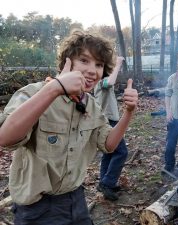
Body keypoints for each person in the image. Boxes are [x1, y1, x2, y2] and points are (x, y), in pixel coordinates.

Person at [0, 30, 138, 225]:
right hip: (37, 209)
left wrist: (129, 112)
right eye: (84, 60)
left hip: (76, 199)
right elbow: (4, 137)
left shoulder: (91, 105)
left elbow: (109, 145)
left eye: (99, 65)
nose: (93, 70)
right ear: (67, 61)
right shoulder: (34, 93)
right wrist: (55, 88)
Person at [94, 56, 127, 201]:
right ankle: (107, 182)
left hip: (108, 120)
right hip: (107, 122)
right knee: (122, 152)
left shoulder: (102, 83)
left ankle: (104, 182)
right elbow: (111, 81)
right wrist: (118, 63)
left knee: (109, 153)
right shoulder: (102, 82)